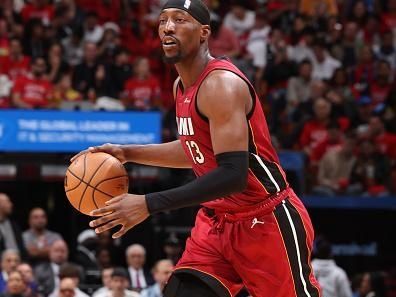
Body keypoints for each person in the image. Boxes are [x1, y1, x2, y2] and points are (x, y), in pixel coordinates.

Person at [73, 1, 321, 296]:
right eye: (163, 20)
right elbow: (195, 149)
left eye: (180, 20)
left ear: (204, 33)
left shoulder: (221, 85)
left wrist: (147, 204)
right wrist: (128, 153)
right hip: (218, 223)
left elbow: (233, 174)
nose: (168, 27)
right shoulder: (182, 85)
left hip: (265, 219)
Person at [0, 194, 26, 259]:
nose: (11, 205)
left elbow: (22, 248)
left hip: (18, 263)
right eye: (8, 201)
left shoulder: (14, 225)